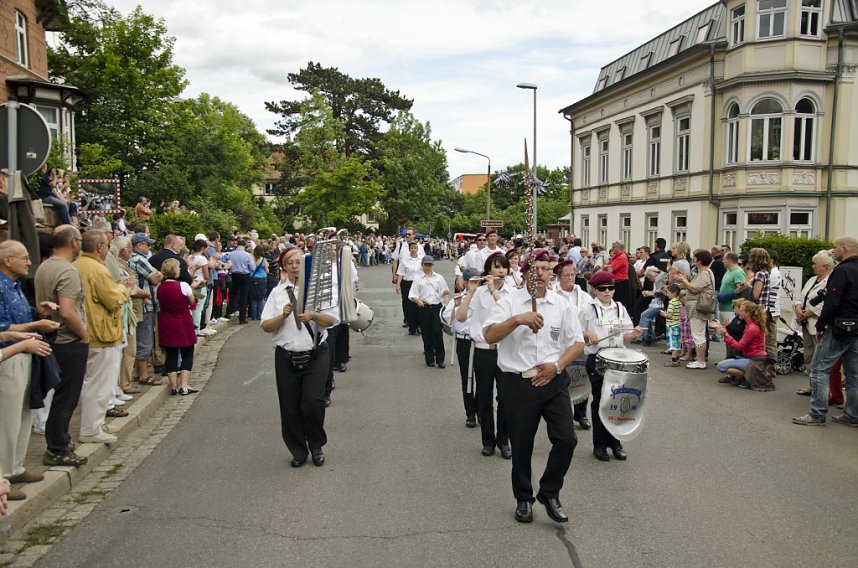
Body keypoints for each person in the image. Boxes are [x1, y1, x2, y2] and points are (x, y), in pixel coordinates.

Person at [483, 249, 585, 524]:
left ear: (551, 272)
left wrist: (558, 366)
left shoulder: (561, 305)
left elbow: (577, 342)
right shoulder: (509, 302)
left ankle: (550, 492)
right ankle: (524, 499)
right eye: (534, 269)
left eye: (544, 268)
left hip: (553, 380)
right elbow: (489, 334)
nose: (539, 274)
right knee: (522, 446)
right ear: (525, 273)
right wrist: (518, 319)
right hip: (518, 383)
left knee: (567, 438)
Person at [261, 247, 338, 467]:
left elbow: (332, 320)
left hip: (315, 353)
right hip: (286, 355)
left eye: (299, 263)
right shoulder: (277, 293)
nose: (295, 266)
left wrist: (313, 315)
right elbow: (266, 326)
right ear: (284, 267)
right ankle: (298, 450)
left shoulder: (319, 290)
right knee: (289, 405)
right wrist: (282, 315)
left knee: (313, 401)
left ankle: (316, 444)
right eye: (290, 263)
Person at [33, 226, 90, 468]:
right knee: (67, 396)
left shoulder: (44, 266)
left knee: (59, 395)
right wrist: (84, 334)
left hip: (51, 336)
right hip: (68, 339)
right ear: (74, 243)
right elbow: (67, 311)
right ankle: (58, 447)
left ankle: (60, 441)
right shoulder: (67, 271)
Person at [794, 236, 858, 426]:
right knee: (854, 374)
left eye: (835, 247)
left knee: (819, 368)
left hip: (838, 327)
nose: (833, 250)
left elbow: (832, 302)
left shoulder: (842, 270)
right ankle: (853, 414)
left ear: (845, 249)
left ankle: (817, 413)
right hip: (856, 328)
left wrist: (821, 325)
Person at [579, 271, 643, 462]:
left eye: (611, 288)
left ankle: (616, 442)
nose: (607, 292)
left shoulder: (620, 308)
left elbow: (626, 335)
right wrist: (587, 333)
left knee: (617, 401)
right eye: (602, 289)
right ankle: (599, 445)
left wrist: (634, 333)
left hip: (618, 359)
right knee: (601, 401)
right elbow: (576, 331)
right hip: (597, 358)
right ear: (594, 290)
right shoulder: (587, 308)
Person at [74, 230, 131, 444]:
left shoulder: (78, 264)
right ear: (99, 247)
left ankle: (93, 424)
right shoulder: (97, 268)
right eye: (106, 246)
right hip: (102, 329)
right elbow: (112, 298)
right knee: (99, 384)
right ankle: (91, 427)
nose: (108, 250)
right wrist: (125, 289)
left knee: (91, 382)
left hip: (88, 327)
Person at [457, 252, 512, 459]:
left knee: (505, 399)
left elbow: (509, 315)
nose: (500, 271)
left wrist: (493, 290)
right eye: (496, 267)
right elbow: (461, 317)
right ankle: (488, 441)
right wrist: (470, 292)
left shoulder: (512, 292)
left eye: (504, 267)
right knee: (484, 398)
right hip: (483, 350)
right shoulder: (478, 293)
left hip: (505, 350)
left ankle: (504, 440)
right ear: (488, 270)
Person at [553, 259, 592, 430]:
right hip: (560, 344)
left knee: (580, 377)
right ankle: (563, 414)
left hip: (579, 343)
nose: (570, 278)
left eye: (572, 274)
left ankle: (581, 413)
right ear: (559, 277)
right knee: (561, 380)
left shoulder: (584, 295)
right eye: (566, 275)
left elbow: (591, 315)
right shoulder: (552, 294)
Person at [794, 250, 835, 396]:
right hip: (805, 324)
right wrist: (799, 308)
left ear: (824, 266)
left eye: (815, 264)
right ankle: (812, 386)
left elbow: (826, 304)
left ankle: (823, 390)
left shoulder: (831, 281)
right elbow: (799, 296)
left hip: (818, 325)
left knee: (821, 358)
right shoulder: (812, 280)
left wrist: (807, 313)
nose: (812, 266)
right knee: (808, 356)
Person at [156, 259, 198, 396]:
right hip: (182, 320)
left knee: (171, 353)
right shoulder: (183, 285)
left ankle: (173, 386)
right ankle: (183, 385)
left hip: (166, 321)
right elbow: (191, 300)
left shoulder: (159, 287)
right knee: (187, 352)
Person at [442, 270, 478, 427]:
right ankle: (470, 413)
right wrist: (456, 307)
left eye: (476, 280)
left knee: (484, 381)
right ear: (464, 282)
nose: (474, 284)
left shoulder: (484, 297)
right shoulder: (459, 298)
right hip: (464, 341)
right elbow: (446, 319)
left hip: (481, 343)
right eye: (470, 280)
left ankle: (483, 412)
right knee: (467, 379)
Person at [713, 300, 774, 391]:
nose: (738, 312)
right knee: (725, 364)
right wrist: (721, 328)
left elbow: (739, 346)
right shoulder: (751, 324)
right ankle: (749, 374)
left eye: (741, 310)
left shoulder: (752, 328)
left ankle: (750, 375)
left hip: (754, 360)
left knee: (721, 366)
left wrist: (725, 335)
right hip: (752, 357)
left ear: (748, 313)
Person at [128, 233, 163, 386]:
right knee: (145, 339)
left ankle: (137, 372)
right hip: (145, 305)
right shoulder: (139, 260)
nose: (149, 248)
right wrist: (158, 275)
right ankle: (143, 374)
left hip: (139, 303)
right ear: (139, 245)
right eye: (147, 245)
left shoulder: (131, 260)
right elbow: (155, 278)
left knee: (140, 338)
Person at [674, 249, 716, 370]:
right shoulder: (703, 272)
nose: (693, 260)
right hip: (695, 307)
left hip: (698, 308)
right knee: (698, 334)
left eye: (695, 258)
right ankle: (699, 359)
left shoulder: (705, 273)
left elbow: (694, 288)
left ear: (700, 260)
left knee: (698, 335)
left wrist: (684, 281)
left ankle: (700, 360)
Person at [409, 255, 449, 368]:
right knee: (426, 333)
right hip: (424, 307)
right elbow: (412, 295)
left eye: (430, 265)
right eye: (426, 264)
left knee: (437, 332)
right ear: (422, 265)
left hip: (437, 307)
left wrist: (445, 292)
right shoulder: (418, 279)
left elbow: (443, 291)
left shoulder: (439, 278)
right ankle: (429, 358)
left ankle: (440, 359)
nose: (428, 267)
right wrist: (418, 301)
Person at [395, 241, 423, 335]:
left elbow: (426, 272)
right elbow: (401, 273)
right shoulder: (405, 260)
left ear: (417, 249)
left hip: (419, 284)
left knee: (418, 305)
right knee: (409, 306)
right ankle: (412, 326)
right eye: (411, 248)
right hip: (407, 283)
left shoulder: (421, 259)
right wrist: (398, 284)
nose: (413, 250)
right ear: (409, 249)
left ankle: (419, 325)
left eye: (415, 248)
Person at [226, 238, 254, 324]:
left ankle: (229, 312)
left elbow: (227, 264)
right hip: (244, 276)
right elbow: (252, 268)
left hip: (233, 275)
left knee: (232, 294)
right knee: (243, 296)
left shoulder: (230, 254)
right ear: (245, 245)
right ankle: (242, 318)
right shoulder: (247, 255)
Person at [660, 283, 683, 366]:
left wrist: (663, 314)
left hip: (671, 326)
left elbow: (669, 315)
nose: (667, 294)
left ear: (674, 293)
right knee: (677, 342)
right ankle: (677, 359)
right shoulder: (679, 301)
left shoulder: (672, 302)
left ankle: (674, 361)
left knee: (673, 344)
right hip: (678, 324)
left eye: (668, 292)